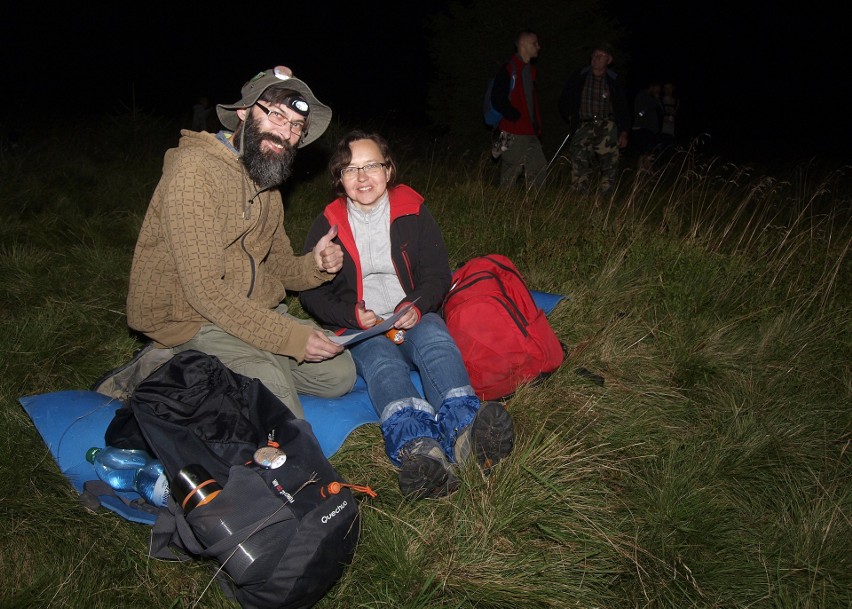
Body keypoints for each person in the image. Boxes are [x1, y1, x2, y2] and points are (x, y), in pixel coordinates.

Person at [104, 66, 357, 419]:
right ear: (243, 112)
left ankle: (239, 361)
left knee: (339, 374)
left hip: (246, 305)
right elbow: (204, 290)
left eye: (295, 126)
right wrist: (289, 338)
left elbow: (278, 264)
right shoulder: (195, 172)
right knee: (273, 393)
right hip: (190, 316)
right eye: (275, 116)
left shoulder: (266, 181)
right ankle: (166, 363)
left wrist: (315, 265)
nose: (285, 133)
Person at [299, 131, 515, 500]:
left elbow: (437, 275)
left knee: (436, 341)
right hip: (361, 327)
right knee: (382, 363)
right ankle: (420, 452)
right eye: (351, 169)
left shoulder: (413, 211)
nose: (363, 177)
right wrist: (350, 314)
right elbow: (310, 293)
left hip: (412, 313)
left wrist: (416, 305)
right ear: (340, 178)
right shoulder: (328, 224)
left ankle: (467, 436)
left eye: (371, 166)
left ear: (388, 170)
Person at [558, 43, 631, 193]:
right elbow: (564, 98)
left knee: (610, 164)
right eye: (594, 55)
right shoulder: (579, 76)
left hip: (607, 126)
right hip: (583, 125)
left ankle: (605, 198)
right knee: (579, 161)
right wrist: (571, 116)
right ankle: (579, 194)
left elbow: (623, 107)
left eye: (601, 56)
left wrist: (624, 131)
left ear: (609, 60)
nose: (596, 58)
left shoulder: (614, 81)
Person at [490, 30, 546, 191]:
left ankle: (536, 206)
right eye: (534, 43)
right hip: (514, 131)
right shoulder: (509, 68)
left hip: (530, 131)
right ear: (523, 44)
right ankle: (503, 208)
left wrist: (536, 125)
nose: (538, 47)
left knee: (538, 166)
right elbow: (498, 98)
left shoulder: (530, 70)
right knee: (511, 171)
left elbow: (530, 102)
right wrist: (514, 116)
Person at [630, 82, 663, 170]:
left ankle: (641, 177)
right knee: (646, 153)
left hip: (651, 130)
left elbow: (660, 111)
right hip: (642, 128)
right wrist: (655, 100)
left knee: (645, 153)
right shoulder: (642, 95)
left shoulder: (651, 98)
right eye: (657, 90)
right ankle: (644, 174)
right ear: (652, 87)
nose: (658, 92)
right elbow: (641, 113)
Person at [660, 81, 679, 150]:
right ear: (663, 89)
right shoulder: (659, 101)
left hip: (672, 133)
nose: (668, 90)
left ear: (673, 88)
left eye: (670, 88)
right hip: (661, 133)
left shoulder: (677, 102)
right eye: (666, 88)